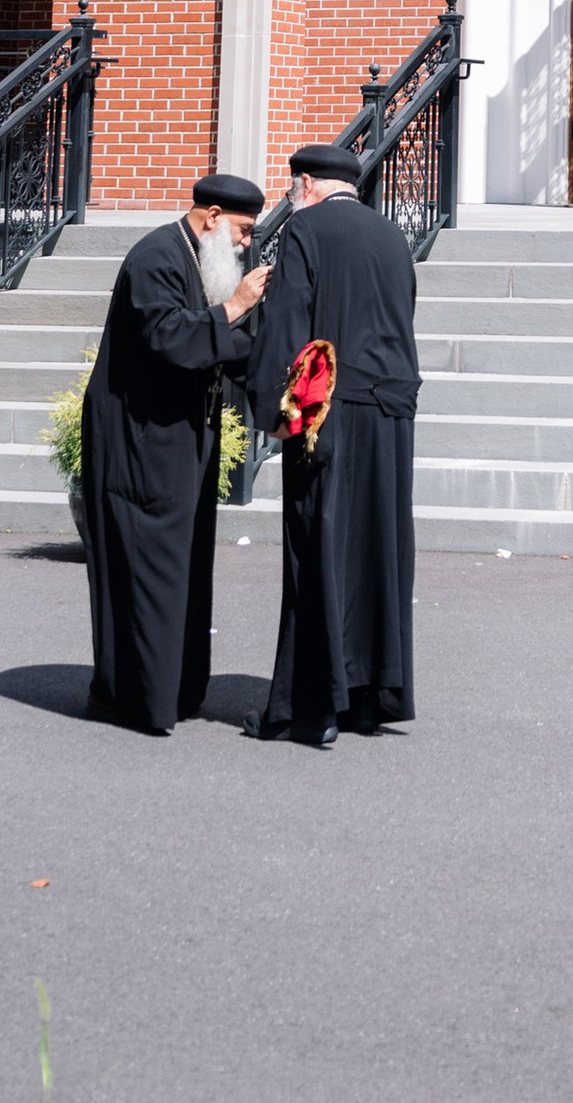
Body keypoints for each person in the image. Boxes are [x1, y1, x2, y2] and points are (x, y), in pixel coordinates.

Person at [76, 171, 269, 736]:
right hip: (138, 438)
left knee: (182, 564)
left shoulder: (200, 259)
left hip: (181, 439)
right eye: (241, 231)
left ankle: (178, 690)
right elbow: (171, 338)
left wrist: (281, 382)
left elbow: (224, 346)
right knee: (148, 562)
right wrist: (235, 305)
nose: (244, 244)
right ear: (211, 217)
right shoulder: (156, 257)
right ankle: (136, 699)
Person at [246, 145, 422, 746]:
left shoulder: (305, 229)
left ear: (307, 183)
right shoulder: (393, 237)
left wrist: (273, 410)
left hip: (327, 410)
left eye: (295, 185)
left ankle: (311, 706)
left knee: (316, 548)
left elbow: (289, 324)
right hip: (391, 413)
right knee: (378, 549)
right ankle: (370, 698)